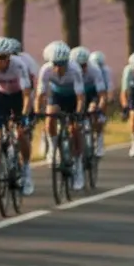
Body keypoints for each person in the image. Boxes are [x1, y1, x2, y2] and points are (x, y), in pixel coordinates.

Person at [0, 37, 34, 196]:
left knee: (22, 134)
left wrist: (24, 116)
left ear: (9, 57)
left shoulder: (19, 65)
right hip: (0, 96)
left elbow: (26, 95)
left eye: (2, 57)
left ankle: (26, 172)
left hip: (18, 96)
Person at [35, 41, 87, 191]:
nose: (59, 68)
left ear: (67, 62)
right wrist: (38, 111)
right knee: (50, 116)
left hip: (73, 97)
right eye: (56, 64)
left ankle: (78, 165)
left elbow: (81, 97)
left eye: (62, 64)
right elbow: (40, 94)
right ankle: (53, 148)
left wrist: (78, 114)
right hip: (57, 95)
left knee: (75, 130)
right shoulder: (46, 70)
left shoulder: (75, 69)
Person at [72, 46, 108, 156]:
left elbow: (102, 94)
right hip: (76, 94)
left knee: (94, 112)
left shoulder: (95, 70)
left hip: (91, 93)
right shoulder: (70, 70)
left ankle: (99, 141)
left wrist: (100, 109)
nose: (81, 69)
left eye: (84, 65)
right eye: (79, 66)